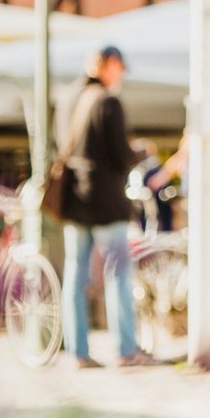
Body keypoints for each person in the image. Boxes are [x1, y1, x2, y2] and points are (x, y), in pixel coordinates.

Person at [57, 45, 150, 368]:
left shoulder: (68, 97)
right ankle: (126, 349)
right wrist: (140, 152)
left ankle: (77, 352)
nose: (122, 74)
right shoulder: (108, 102)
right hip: (106, 202)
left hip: (74, 200)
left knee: (74, 273)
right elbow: (121, 156)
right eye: (121, 67)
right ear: (110, 65)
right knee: (119, 273)